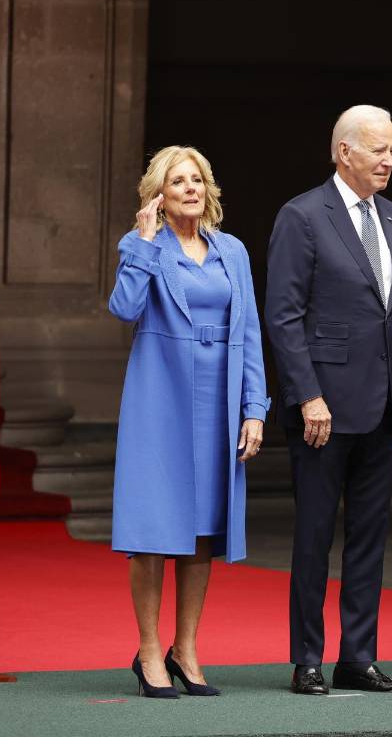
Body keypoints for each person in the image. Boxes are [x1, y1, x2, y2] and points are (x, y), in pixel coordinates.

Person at [265, 105, 392, 695]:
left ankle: (357, 656)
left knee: (369, 537)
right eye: (378, 149)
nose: (389, 159)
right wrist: (307, 395)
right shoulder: (302, 216)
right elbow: (283, 316)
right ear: (344, 152)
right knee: (313, 537)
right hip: (322, 414)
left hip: (382, 409)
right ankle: (307, 657)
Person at [108, 146, 270, 698]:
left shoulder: (233, 251)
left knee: (202, 530)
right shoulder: (142, 246)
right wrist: (145, 243)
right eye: (178, 181)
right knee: (155, 530)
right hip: (160, 396)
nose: (190, 189)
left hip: (218, 399)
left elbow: (249, 332)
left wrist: (255, 409)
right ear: (159, 193)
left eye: (197, 179)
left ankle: (186, 647)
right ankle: (149, 650)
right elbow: (124, 310)